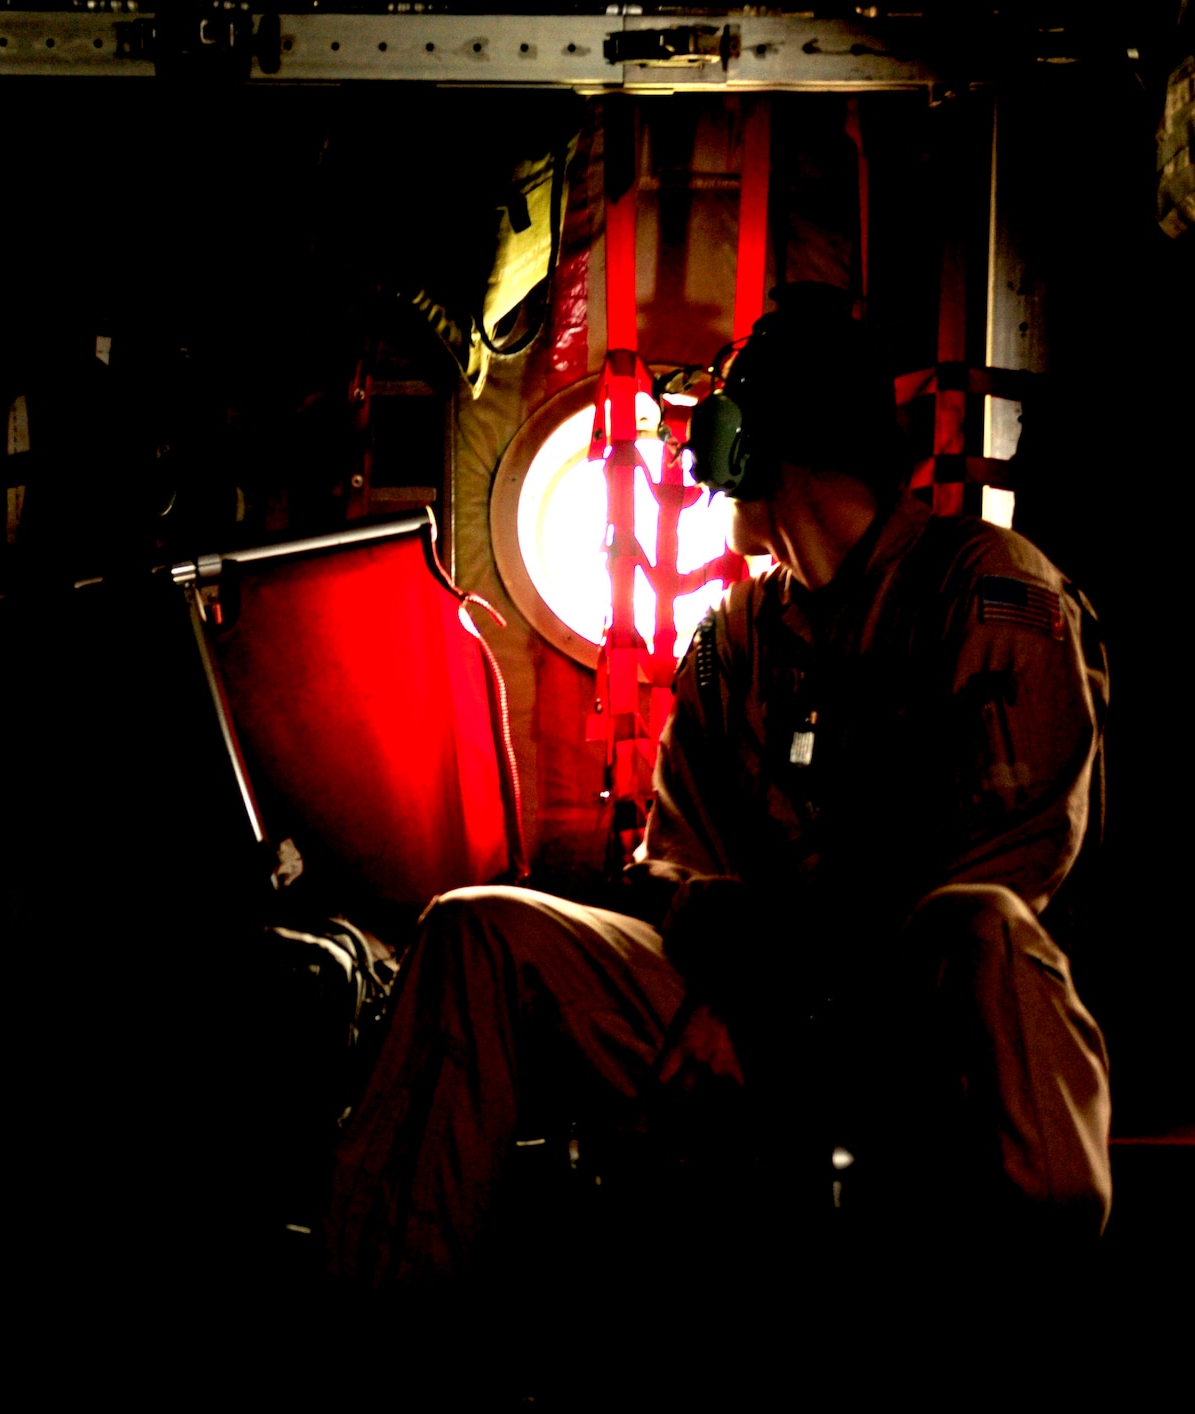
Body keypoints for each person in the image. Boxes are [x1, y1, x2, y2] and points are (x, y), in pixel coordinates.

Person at [324, 284, 1112, 1288]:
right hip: (742, 1013)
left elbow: (992, 887)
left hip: (913, 1035)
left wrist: (760, 991)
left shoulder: (986, 593)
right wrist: (719, 981)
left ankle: (1032, 1304)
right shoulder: (729, 641)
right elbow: (674, 871)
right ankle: (371, 1336)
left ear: (773, 440)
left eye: (727, 415)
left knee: (980, 927)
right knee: (476, 929)